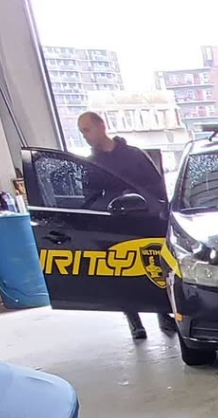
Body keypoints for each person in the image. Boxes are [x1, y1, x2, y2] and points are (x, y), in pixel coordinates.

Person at [77, 111, 176, 341]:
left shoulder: (134, 155)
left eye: (87, 129)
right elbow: (89, 196)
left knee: (153, 268)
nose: (85, 136)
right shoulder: (91, 165)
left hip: (144, 220)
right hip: (113, 224)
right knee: (121, 273)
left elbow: (157, 185)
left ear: (101, 126)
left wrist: (155, 210)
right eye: (81, 131)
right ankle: (135, 322)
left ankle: (163, 314)